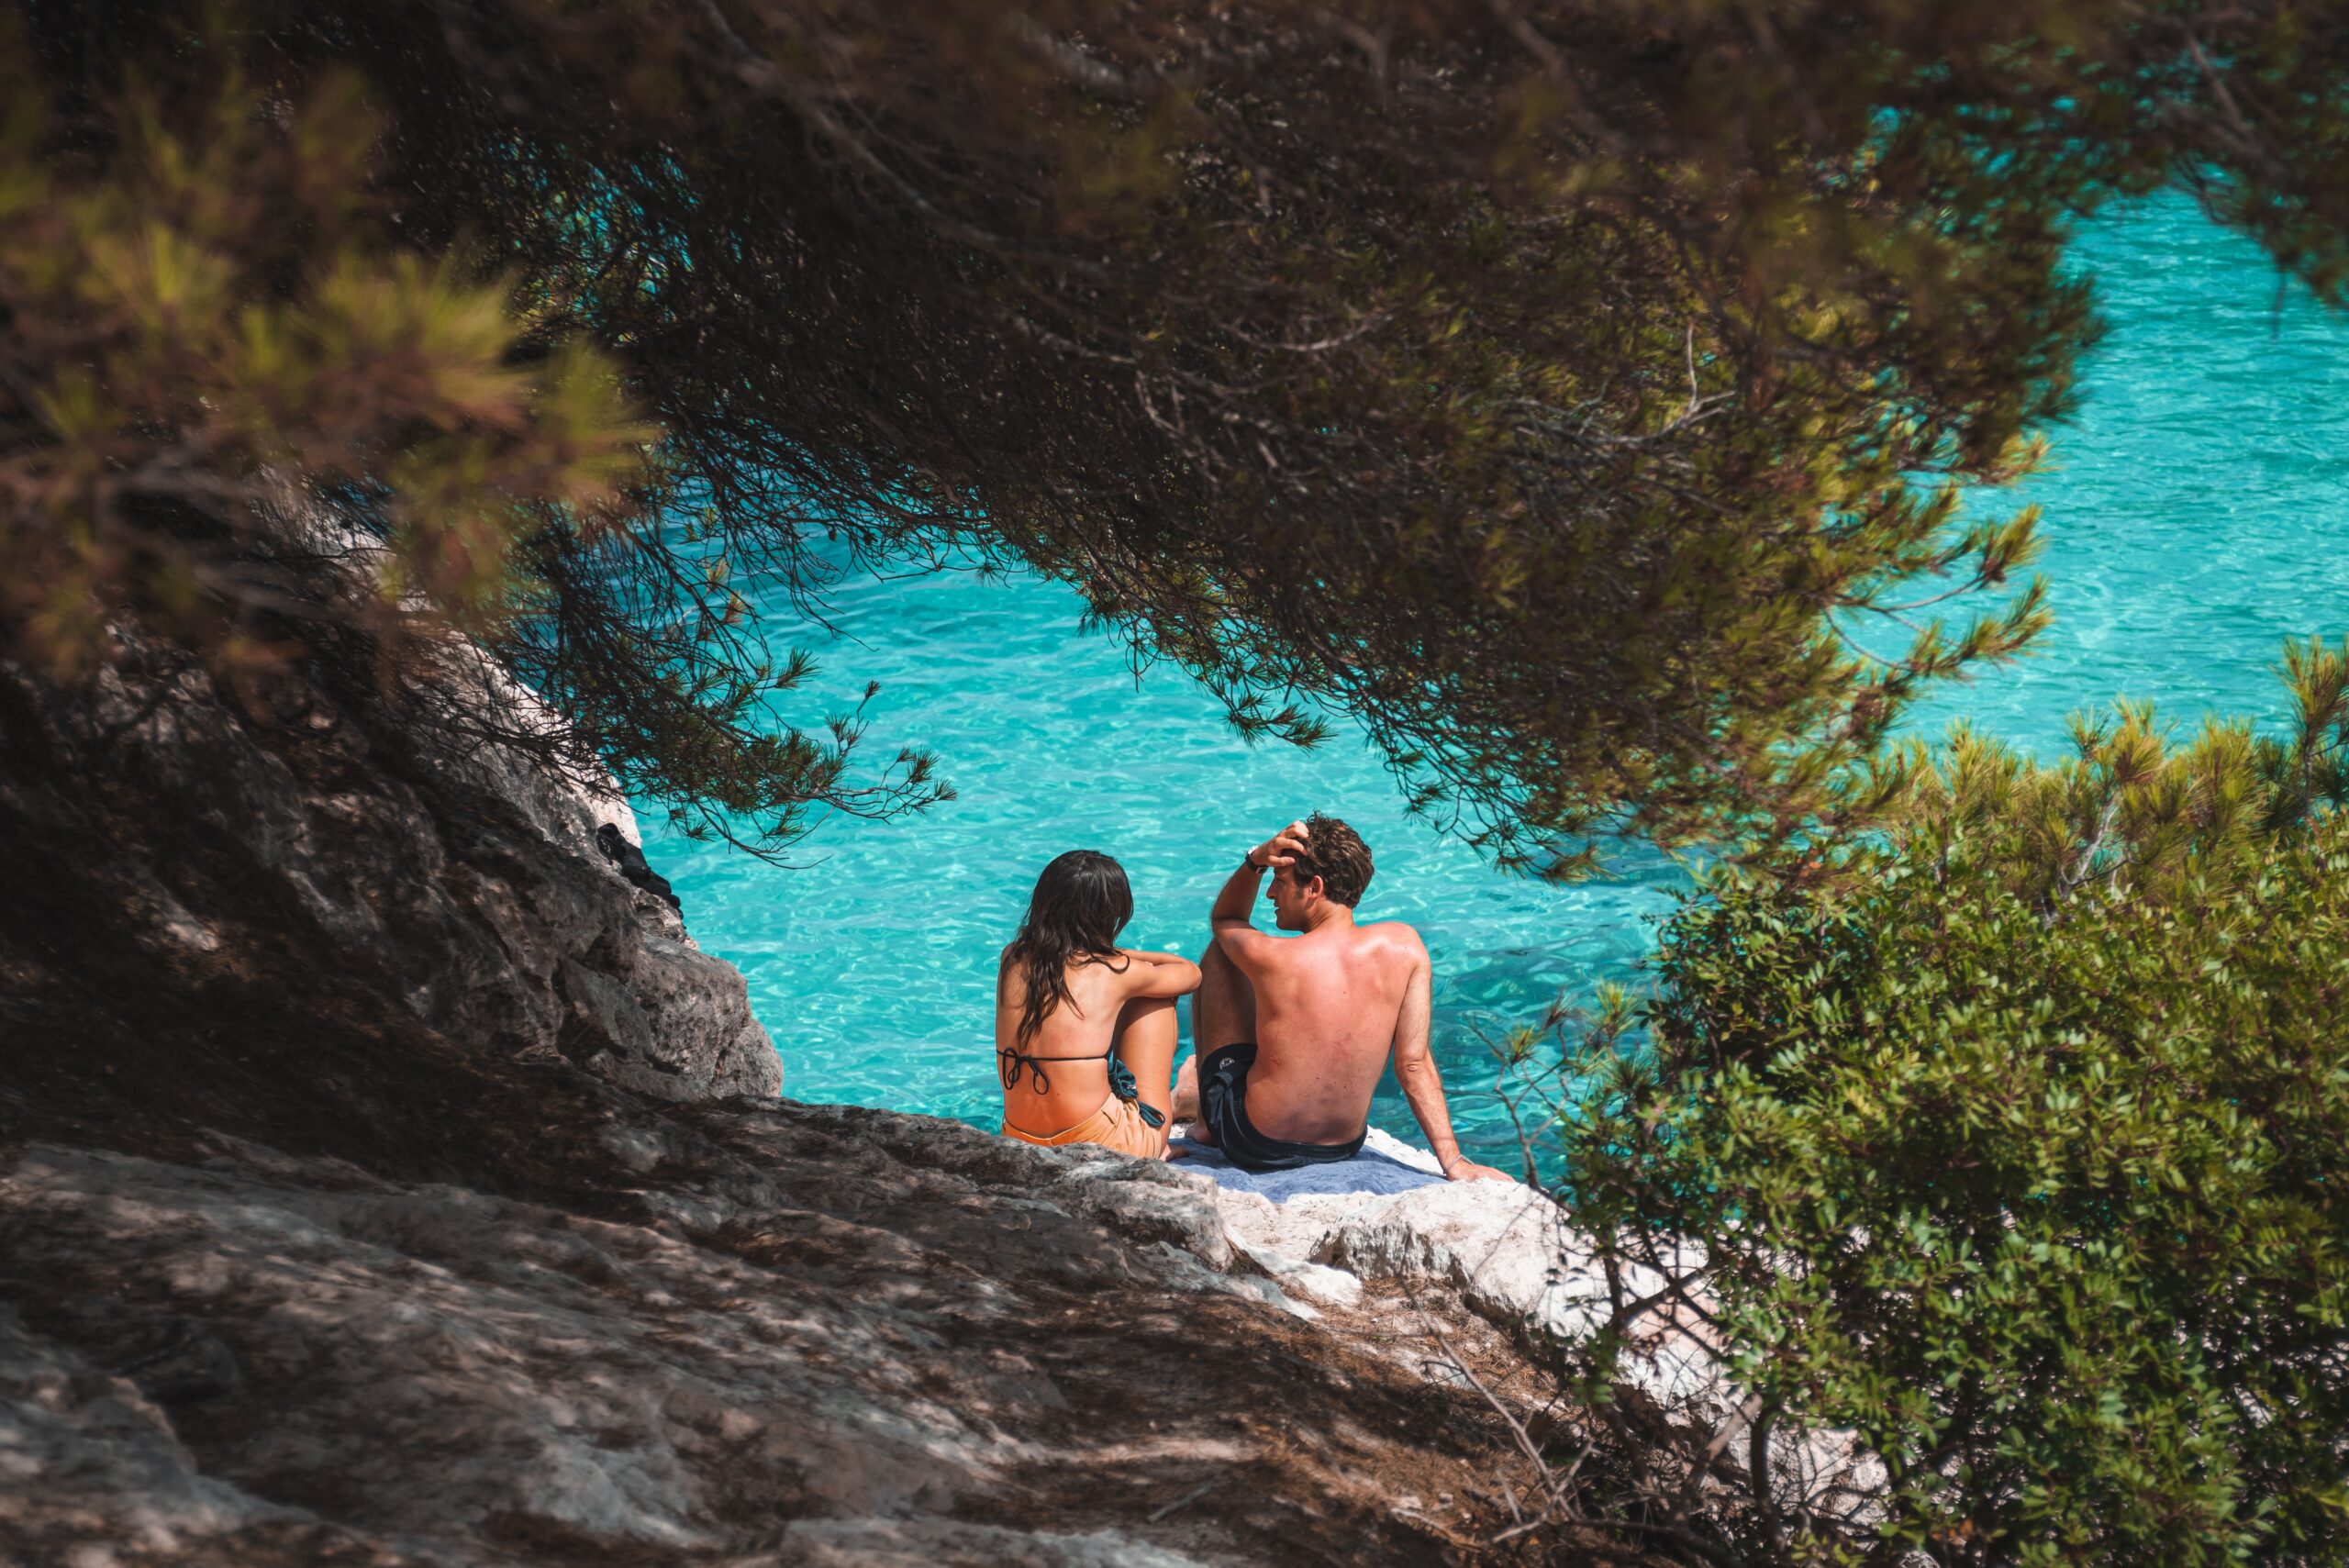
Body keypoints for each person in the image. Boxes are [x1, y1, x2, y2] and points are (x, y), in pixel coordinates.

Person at [1171, 815, 1508, 1181]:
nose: (1270, 894)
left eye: (1279, 882)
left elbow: (1226, 918)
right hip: (1343, 1145)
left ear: (1314, 887)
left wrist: (1255, 861)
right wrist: (1454, 1161)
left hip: (1253, 1142)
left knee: (1221, 952)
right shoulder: (1405, 947)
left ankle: (1206, 1120)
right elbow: (1413, 1064)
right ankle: (1200, 1098)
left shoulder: (1271, 957)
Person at [996, 850, 1200, 1157]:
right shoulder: (1113, 972)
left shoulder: (1013, 956)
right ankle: (1153, 1136)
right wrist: (1113, 954)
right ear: (1109, 913)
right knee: (1155, 997)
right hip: (1101, 1147)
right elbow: (1190, 973)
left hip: (1020, 1141)